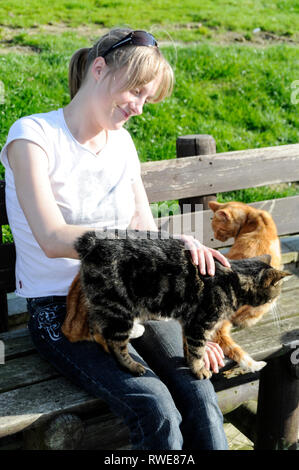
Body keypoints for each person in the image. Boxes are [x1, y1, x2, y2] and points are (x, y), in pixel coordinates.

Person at [0, 27, 230, 450]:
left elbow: (145, 230)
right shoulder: (32, 137)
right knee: (156, 408)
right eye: (137, 92)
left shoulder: (122, 144)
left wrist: (192, 314)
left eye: (148, 99)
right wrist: (148, 246)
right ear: (100, 69)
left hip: (132, 296)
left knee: (199, 394)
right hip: (61, 310)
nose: (140, 108)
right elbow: (53, 238)